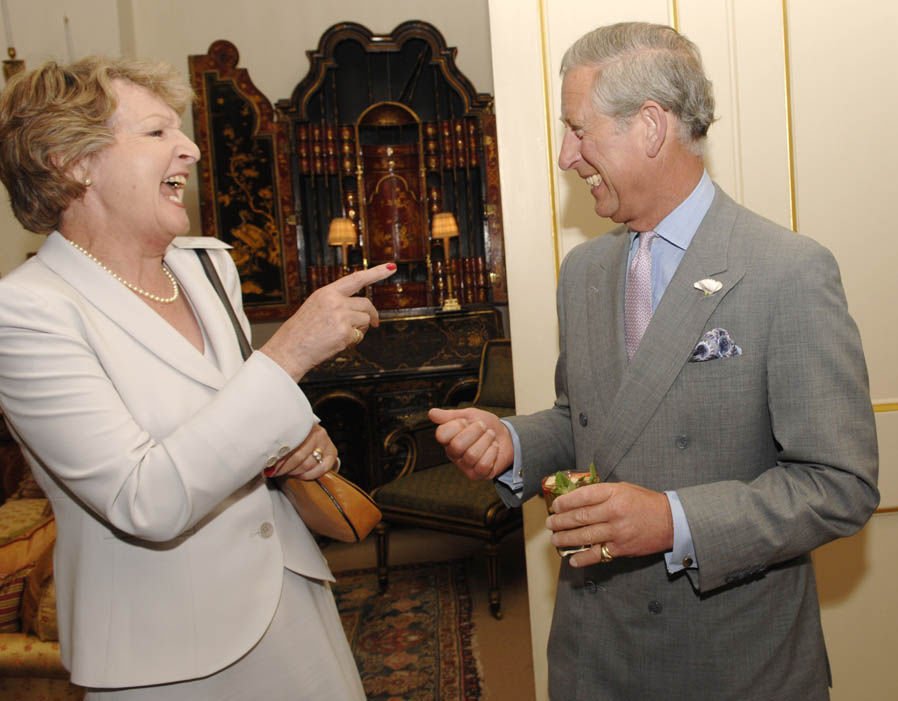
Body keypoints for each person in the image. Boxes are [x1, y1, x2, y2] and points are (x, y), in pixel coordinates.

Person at [430, 21, 879, 700]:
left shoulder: (787, 271)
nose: (564, 156)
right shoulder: (583, 271)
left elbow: (838, 485)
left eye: (578, 130)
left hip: (734, 665)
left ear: (649, 127)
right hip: (595, 655)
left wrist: (673, 520)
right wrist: (511, 444)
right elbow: (584, 420)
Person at [0, 56, 395, 699]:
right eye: (157, 133)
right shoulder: (27, 313)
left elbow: (239, 414)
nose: (189, 150)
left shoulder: (209, 268)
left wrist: (305, 437)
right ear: (71, 162)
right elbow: (144, 500)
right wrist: (290, 353)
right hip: (165, 650)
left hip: (289, 594)